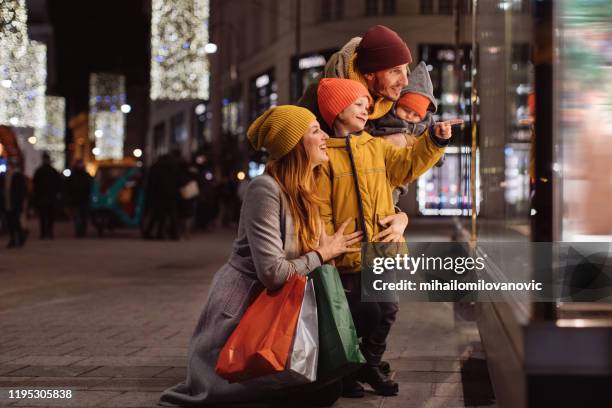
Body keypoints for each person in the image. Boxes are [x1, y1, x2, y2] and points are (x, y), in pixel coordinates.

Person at [159, 105, 363, 407]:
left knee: (327, 388)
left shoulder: (307, 191)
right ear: (294, 145)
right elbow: (273, 273)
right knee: (294, 393)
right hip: (245, 312)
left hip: (282, 308)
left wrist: (329, 249)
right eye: (315, 131)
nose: (324, 137)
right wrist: (323, 252)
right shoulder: (265, 190)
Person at [315, 78, 453, 397]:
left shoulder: (375, 147)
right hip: (346, 251)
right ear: (337, 111)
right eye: (358, 105)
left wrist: (433, 139)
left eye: (367, 105)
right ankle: (350, 370)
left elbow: (407, 167)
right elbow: (319, 206)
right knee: (353, 315)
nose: (366, 110)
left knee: (387, 310)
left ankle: (371, 363)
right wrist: (326, 246)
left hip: (381, 247)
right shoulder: (325, 155)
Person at [298, 25, 412, 147]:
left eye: (405, 69)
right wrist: (380, 146)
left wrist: (406, 140)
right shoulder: (317, 101)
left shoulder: (397, 91)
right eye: (394, 71)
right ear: (369, 74)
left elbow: (419, 137)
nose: (405, 82)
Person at [367, 61, 447, 201]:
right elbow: (368, 129)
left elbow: (435, 154)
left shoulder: (427, 124)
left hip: (400, 177)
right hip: (377, 165)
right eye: (405, 110)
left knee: (389, 201)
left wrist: (439, 139)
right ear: (397, 103)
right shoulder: (385, 113)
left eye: (416, 115)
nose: (410, 116)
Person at [32, 152, 61, 239]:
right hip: (45, 198)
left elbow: (58, 185)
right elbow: (36, 185)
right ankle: (46, 233)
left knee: (47, 217)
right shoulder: (43, 171)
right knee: (45, 217)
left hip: (48, 198)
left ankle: (47, 232)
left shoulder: (49, 171)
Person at [1, 157, 27, 248]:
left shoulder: (18, 176)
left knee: (16, 222)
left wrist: (21, 203)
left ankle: (20, 238)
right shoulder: (5, 176)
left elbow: (22, 191)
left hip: (15, 204)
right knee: (10, 223)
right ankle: (12, 239)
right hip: (7, 203)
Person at [66, 160, 93, 237]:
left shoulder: (86, 175)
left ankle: (82, 232)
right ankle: (79, 232)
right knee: (77, 217)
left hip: (84, 200)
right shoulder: (73, 176)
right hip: (76, 200)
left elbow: (90, 186)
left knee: (83, 217)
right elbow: (68, 187)